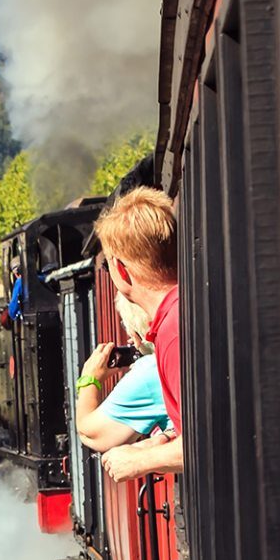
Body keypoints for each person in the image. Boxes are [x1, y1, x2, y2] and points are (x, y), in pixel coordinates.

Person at [93, 189, 184, 482]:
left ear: (121, 269)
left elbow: (206, 441)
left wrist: (140, 460)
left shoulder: (173, 331)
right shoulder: (182, 312)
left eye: (109, 265)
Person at [75, 294, 168, 453]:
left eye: (126, 326)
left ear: (138, 333)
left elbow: (90, 434)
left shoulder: (150, 371)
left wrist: (89, 379)